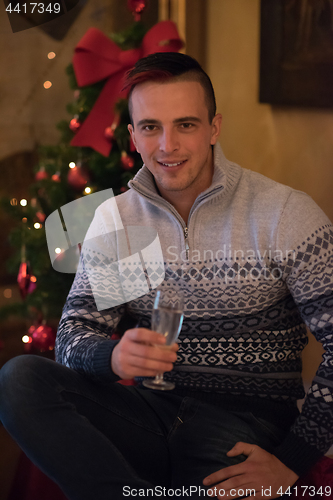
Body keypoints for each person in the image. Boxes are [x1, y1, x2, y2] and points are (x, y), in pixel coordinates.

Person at [0, 52, 332, 500]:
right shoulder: (118, 220)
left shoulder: (282, 214)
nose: (167, 146)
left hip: (243, 428)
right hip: (146, 412)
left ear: (214, 128)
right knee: (19, 379)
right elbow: (73, 336)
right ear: (133, 135)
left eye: (186, 125)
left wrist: (292, 461)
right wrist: (112, 358)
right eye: (151, 127)